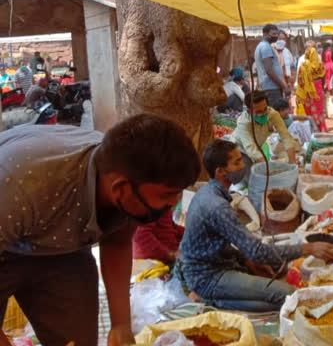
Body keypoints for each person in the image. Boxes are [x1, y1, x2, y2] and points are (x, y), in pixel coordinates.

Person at [0, 114, 200, 346]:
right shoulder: (22, 187)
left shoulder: (127, 172)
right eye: (167, 195)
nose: (173, 203)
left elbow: (118, 243)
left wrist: (121, 326)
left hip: (59, 248)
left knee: (78, 340)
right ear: (120, 188)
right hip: (8, 238)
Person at [180, 140, 333, 312]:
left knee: (275, 268)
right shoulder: (217, 207)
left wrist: (246, 259)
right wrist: (308, 248)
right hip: (207, 276)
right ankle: (212, 300)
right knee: (289, 296)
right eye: (236, 163)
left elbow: (225, 246)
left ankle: (222, 294)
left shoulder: (210, 192)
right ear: (220, 171)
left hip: (217, 262)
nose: (243, 166)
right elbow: (257, 251)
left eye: (241, 159)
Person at [234, 90, 298, 163]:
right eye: (259, 111)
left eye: (265, 109)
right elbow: (251, 148)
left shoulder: (272, 114)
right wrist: (267, 167)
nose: (264, 113)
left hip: (257, 147)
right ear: (249, 111)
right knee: (249, 168)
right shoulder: (243, 123)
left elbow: (285, 136)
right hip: (240, 151)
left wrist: (292, 162)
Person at [294, 44, 328, 133]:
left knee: (309, 113)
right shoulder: (320, 66)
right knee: (319, 113)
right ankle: (321, 132)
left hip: (307, 95)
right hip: (318, 93)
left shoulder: (303, 66)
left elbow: (300, 82)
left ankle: (311, 133)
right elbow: (323, 80)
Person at [254, 24, 289, 107]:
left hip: (269, 87)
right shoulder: (265, 47)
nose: (276, 36)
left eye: (277, 34)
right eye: (273, 34)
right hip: (272, 88)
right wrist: (283, 86)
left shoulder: (262, 46)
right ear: (265, 34)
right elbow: (269, 70)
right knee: (275, 114)